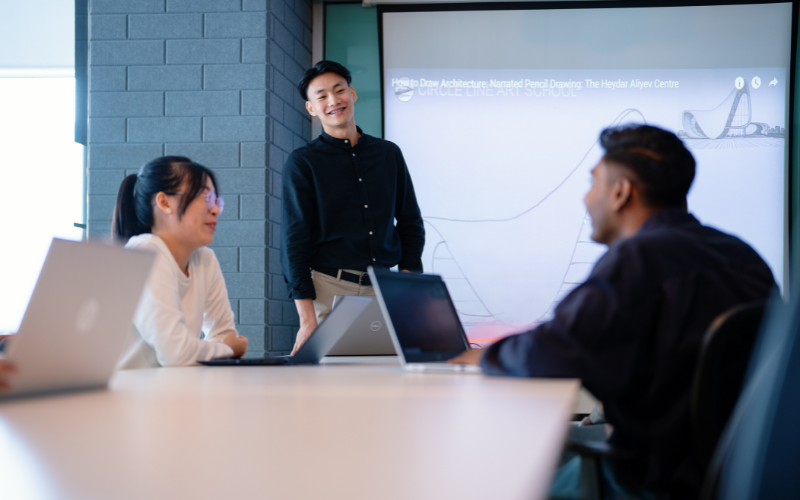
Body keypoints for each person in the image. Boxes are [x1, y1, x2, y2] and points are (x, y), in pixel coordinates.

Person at [451, 125, 776, 499]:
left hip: (646, 483)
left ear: (621, 192)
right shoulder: (745, 258)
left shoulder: (638, 260)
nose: (587, 198)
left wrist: (483, 355)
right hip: (737, 479)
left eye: (593, 183)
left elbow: (552, 352)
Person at [282, 60, 425, 354]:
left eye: (339, 90)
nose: (333, 101)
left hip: (385, 289)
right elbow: (294, 240)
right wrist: (306, 319)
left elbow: (410, 223)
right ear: (311, 108)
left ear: (353, 93)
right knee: (333, 378)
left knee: (389, 376)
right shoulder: (303, 162)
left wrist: (407, 288)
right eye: (321, 96)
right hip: (330, 290)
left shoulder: (388, 154)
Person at [113, 156, 248, 368]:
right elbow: (176, 354)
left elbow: (223, 334)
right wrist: (228, 348)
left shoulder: (205, 259)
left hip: (173, 383)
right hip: (127, 387)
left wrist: (221, 347)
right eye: (205, 197)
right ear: (164, 203)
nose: (215, 210)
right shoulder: (146, 251)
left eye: (216, 200)